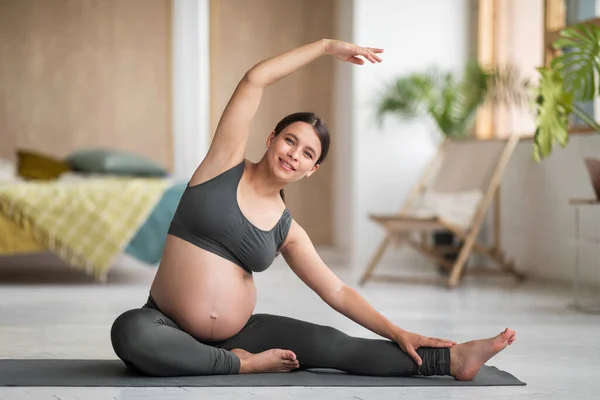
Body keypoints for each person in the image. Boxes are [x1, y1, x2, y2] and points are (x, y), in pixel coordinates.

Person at [110, 38, 516, 379]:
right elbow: (255, 79)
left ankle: (453, 359)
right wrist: (325, 46)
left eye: (307, 153)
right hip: (165, 322)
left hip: (241, 332)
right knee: (129, 332)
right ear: (270, 138)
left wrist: (397, 330)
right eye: (290, 140)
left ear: (311, 170)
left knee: (331, 343)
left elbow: (336, 291)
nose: (294, 154)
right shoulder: (222, 164)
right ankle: (238, 366)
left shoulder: (287, 229)